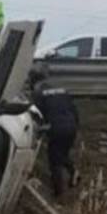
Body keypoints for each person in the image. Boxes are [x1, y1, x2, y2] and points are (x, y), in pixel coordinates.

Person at [29, 66, 79, 199]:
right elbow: (74, 110)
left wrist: (39, 132)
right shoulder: (63, 90)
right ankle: (74, 172)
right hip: (71, 126)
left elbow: (36, 116)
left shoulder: (38, 94)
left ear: (32, 81)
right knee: (61, 154)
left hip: (56, 128)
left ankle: (59, 194)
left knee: (54, 161)